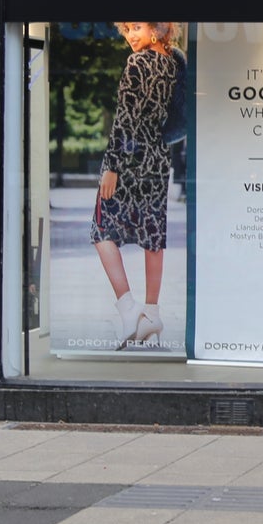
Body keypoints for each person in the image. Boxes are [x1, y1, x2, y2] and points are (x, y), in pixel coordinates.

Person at [92, 21, 186, 350]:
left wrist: (112, 167)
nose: (131, 36)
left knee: (100, 230)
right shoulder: (175, 63)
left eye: (137, 27)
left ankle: (129, 309)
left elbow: (125, 117)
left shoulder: (138, 62)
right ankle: (152, 314)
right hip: (157, 156)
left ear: (157, 29)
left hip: (129, 158)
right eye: (127, 29)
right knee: (152, 235)